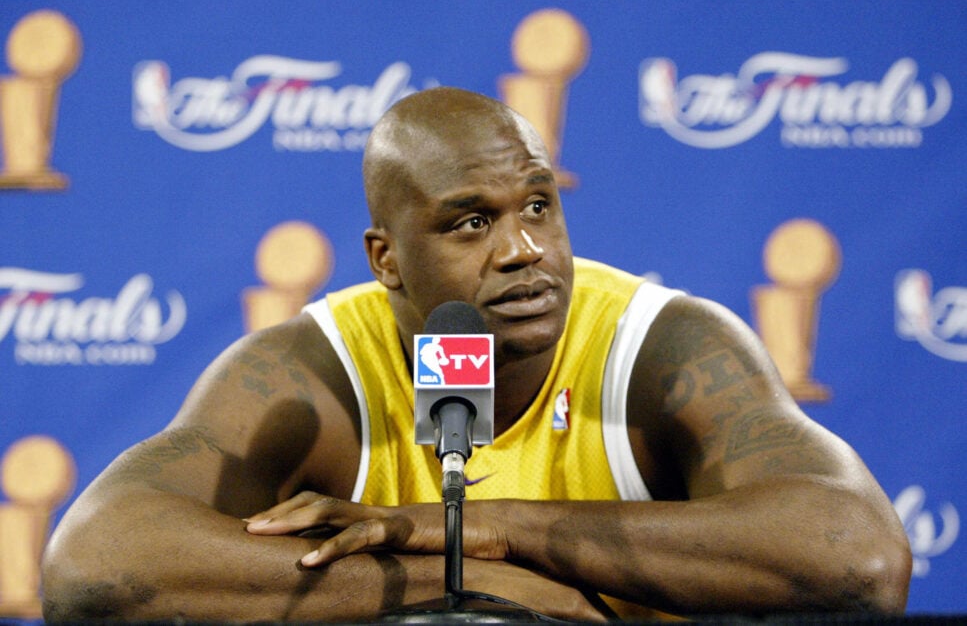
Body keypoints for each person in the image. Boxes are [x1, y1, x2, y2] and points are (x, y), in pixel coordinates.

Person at [40, 87, 911, 622]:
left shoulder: (661, 348)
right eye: (470, 222)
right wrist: (486, 593)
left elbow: (855, 558)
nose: (523, 250)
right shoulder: (309, 371)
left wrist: (488, 529)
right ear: (386, 260)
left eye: (537, 206)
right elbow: (95, 567)